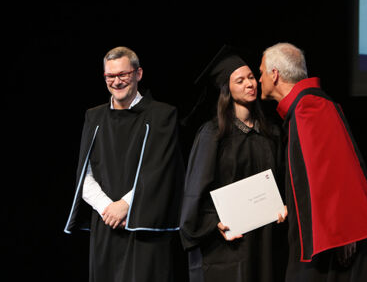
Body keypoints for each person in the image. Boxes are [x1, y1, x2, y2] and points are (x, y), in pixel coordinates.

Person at [259, 42, 367, 281]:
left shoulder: (310, 107)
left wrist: (346, 233)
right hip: (327, 239)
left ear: (274, 75)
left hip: (335, 243)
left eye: (262, 71)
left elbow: (342, 171)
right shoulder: (303, 108)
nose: (259, 78)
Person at [64, 46, 187, 282]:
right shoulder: (95, 116)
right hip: (106, 225)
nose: (117, 82)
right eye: (110, 76)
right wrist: (106, 208)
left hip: (145, 225)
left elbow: (161, 170)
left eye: (123, 75)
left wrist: (125, 205)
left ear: (138, 74)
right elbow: (84, 172)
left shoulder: (162, 115)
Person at [179, 45, 287, 282]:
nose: (250, 84)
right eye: (240, 80)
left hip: (265, 240)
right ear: (226, 88)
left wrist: (283, 206)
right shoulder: (213, 135)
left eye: (251, 77)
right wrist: (212, 224)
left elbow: (282, 182)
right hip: (227, 244)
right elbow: (196, 193)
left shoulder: (271, 134)